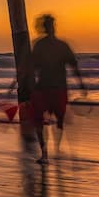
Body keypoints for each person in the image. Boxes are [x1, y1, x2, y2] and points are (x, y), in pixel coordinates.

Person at [29, 14, 86, 164]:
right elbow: (33, 66)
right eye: (49, 25)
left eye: (51, 25)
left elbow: (73, 66)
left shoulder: (56, 45)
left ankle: (53, 150)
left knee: (56, 120)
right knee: (41, 121)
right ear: (46, 27)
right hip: (47, 88)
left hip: (55, 88)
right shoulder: (45, 45)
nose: (50, 27)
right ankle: (46, 152)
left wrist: (81, 84)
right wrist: (81, 85)